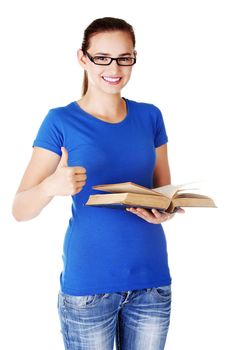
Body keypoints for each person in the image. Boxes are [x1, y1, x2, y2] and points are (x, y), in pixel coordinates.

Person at [12, 16, 185, 350]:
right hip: (89, 288)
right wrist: (51, 186)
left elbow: (164, 192)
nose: (114, 67)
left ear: (134, 58)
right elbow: (20, 210)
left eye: (124, 58)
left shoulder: (150, 116)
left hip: (152, 283)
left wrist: (167, 210)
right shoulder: (60, 121)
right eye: (102, 57)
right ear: (83, 58)